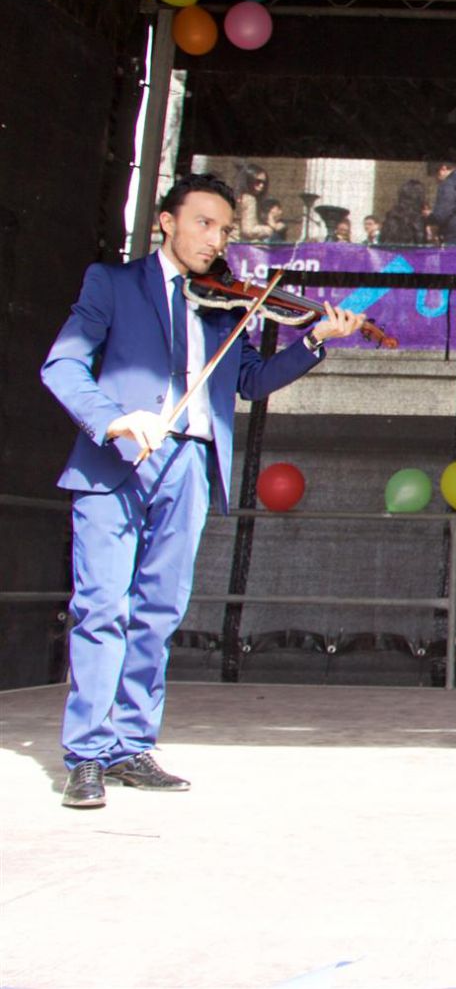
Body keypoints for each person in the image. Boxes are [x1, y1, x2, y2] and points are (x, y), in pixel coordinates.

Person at [41, 172, 366, 809]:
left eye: (224, 230)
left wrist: (313, 341)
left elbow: (250, 381)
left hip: (190, 461)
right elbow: (63, 365)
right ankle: (87, 754)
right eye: (204, 223)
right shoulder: (112, 283)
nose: (216, 240)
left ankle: (132, 744)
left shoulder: (223, 304)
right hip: (116, 458)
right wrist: (113, 419)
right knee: (103, 606)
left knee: (159, 610)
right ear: (167, 222)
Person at [231, 163, 281, 242]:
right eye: (258, 182)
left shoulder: (236, 196)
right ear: (248, 181)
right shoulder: (249, 199)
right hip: (240, 244)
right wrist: (269, 229)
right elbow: (249, 230)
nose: (261, 185)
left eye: (264, 183)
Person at [380, 179, 428, 245]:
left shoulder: (391, 215)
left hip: (391, 249)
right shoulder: (417, 218)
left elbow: (383, 237)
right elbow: (420, 240)